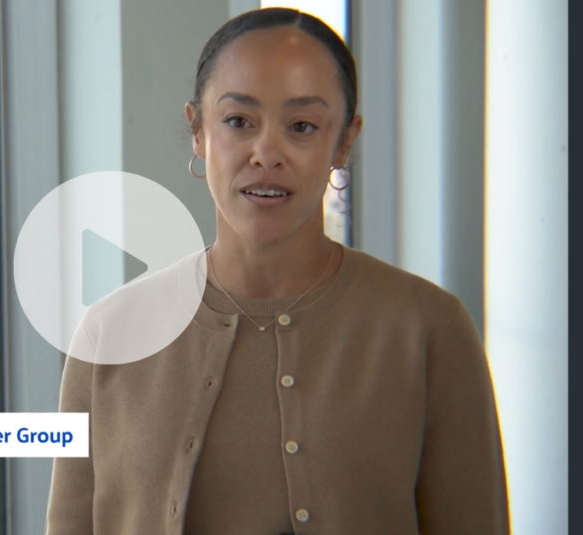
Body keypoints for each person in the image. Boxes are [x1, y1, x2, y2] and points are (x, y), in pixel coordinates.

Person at [45, 8, 508, 535]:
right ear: (198, 132)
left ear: (344, 142)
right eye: (238, 121)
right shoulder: (110, 333)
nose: (267, 153)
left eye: (303, 126)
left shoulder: (429, 329)